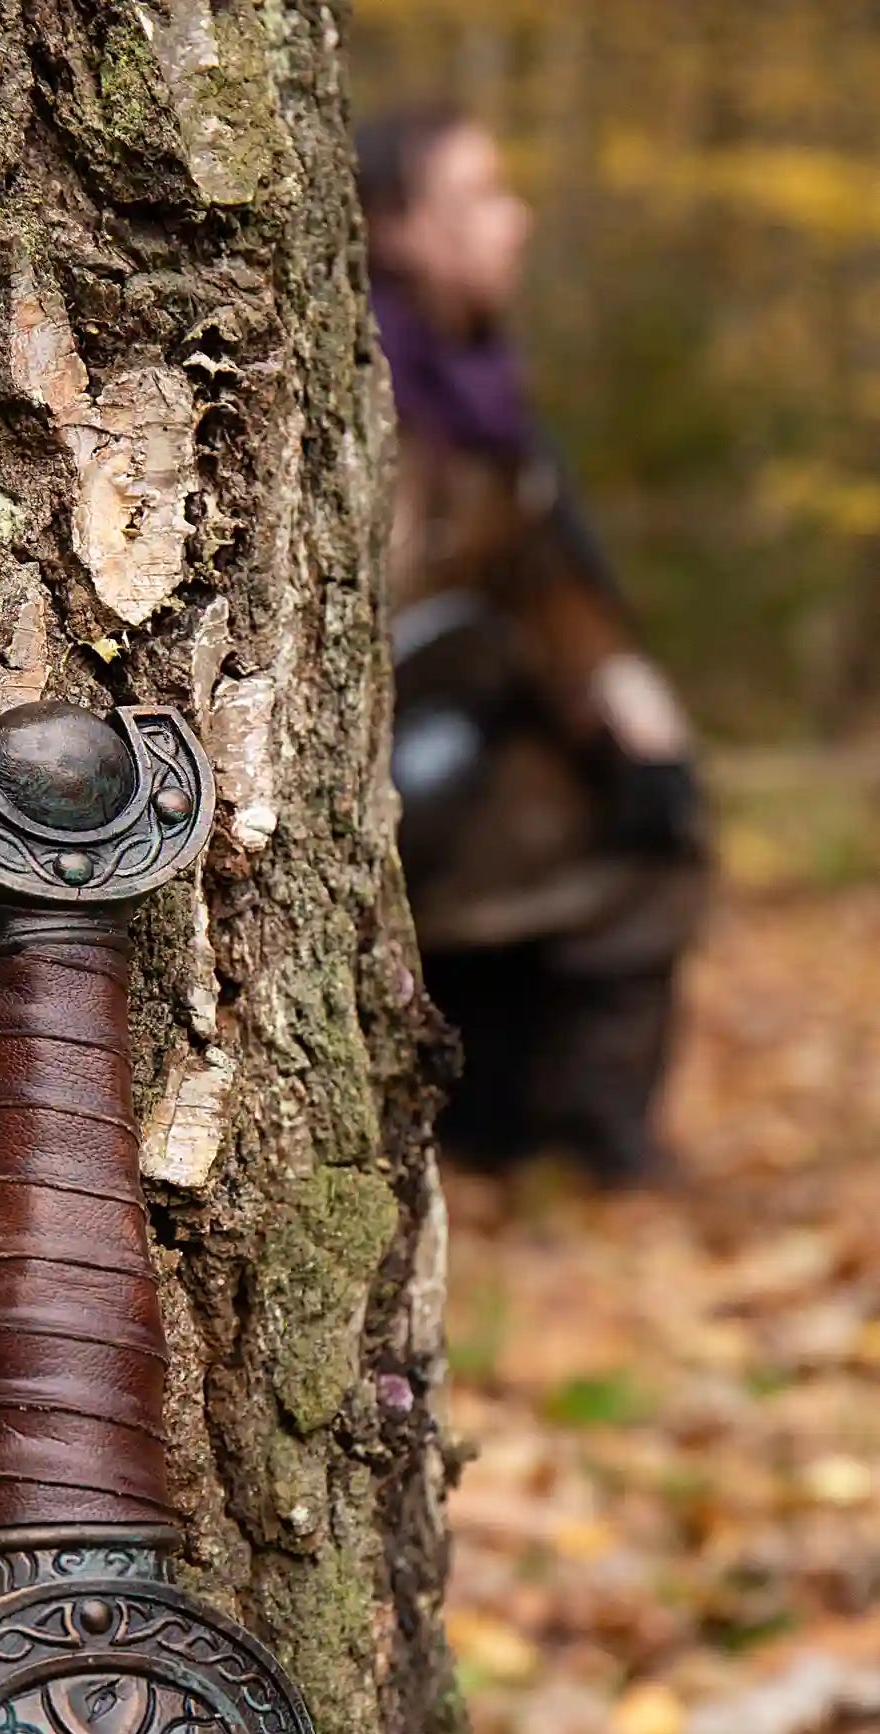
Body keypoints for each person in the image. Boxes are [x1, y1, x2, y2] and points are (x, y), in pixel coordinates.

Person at [358, 106, 710, 1185]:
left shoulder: (480, 403)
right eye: (482, 197)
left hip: (459, 747)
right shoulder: (360, 390)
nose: (517, 222)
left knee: (649, 805)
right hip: (384, 785)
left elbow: (553, 587)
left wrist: (635, 716)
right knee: (632, 867)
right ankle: (574, 1148)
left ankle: (527, 1137)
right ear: (400, 226)